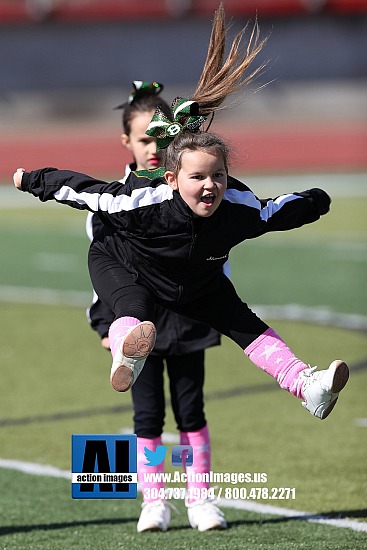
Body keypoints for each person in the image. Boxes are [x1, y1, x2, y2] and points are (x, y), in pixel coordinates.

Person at [13, 0, 349, 526]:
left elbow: (272, 211)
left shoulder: (231, 204)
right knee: (144, 395)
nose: (209, 185)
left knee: (233, 346)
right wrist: (30, 179)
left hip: (194, 292)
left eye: (217, 175)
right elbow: (82, 192)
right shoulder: (139, 202)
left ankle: (306, 387)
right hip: (136, 283)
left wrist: (316, 199)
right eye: (196, 176)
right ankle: (151, 484)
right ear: (168, 173)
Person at [85, 80, 226, 532]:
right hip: (136, 326)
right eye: (143, 138)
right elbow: (102, 269)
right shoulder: (113, 200)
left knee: (191, 410)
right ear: (126, 141)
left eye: (160, 138)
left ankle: (200, 500)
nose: (152, 147)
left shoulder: (191, 191)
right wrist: (105, 325)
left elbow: (216, 250)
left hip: (188, 317)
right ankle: (155, 502)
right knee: (146, 415)